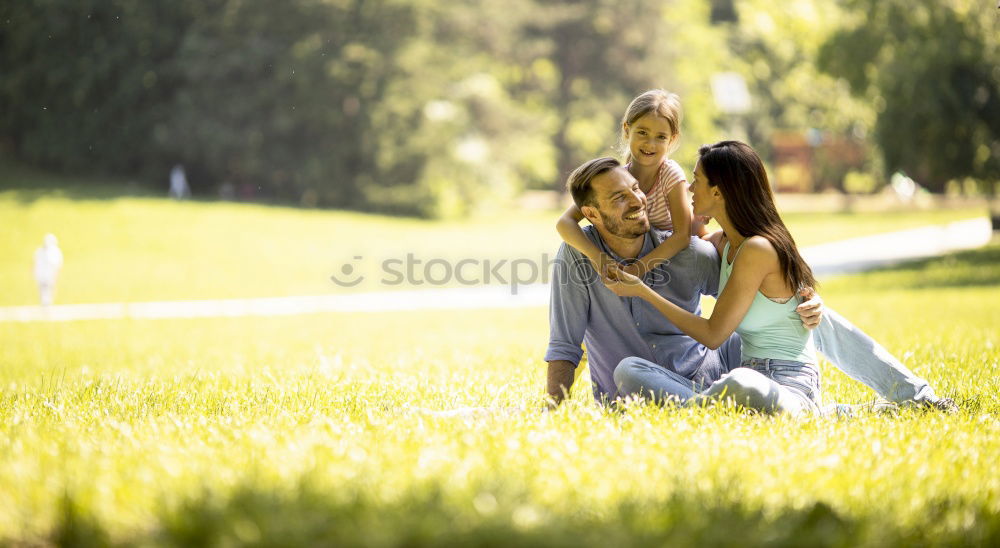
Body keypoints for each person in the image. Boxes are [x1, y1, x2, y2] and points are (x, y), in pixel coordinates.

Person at [544, 155, 955, 413]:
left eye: (635, 189)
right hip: (642, 385)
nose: (636, 201)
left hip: (715, 367)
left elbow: (764, 285)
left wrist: (807, 298)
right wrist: (554, 411)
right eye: (618, 198)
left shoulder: (687, 252)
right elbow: (564, 345)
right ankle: (761, 405)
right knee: (626, 369)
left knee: (806, 315)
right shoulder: (576, 259)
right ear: (591, 215)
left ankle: (916, 394)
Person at [556, 90, 697, 280]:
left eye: (661, 137)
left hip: (664, 258)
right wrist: (598, 258)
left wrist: (637, 269)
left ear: (672, 139)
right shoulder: (618, 177)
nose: (650, 144)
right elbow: (564, 223)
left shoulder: (670, 174)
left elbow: (682, 236)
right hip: (631, 254)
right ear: (626, 130)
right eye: (642, 132)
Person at [34, 234, 63, 306]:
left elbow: (57, 265)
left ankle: (47, 305)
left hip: (48, 275)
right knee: (44, 291)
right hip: (43, 275)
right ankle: (45, 305)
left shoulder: (54, 252)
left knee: (48, 290)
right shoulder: (40, 251)